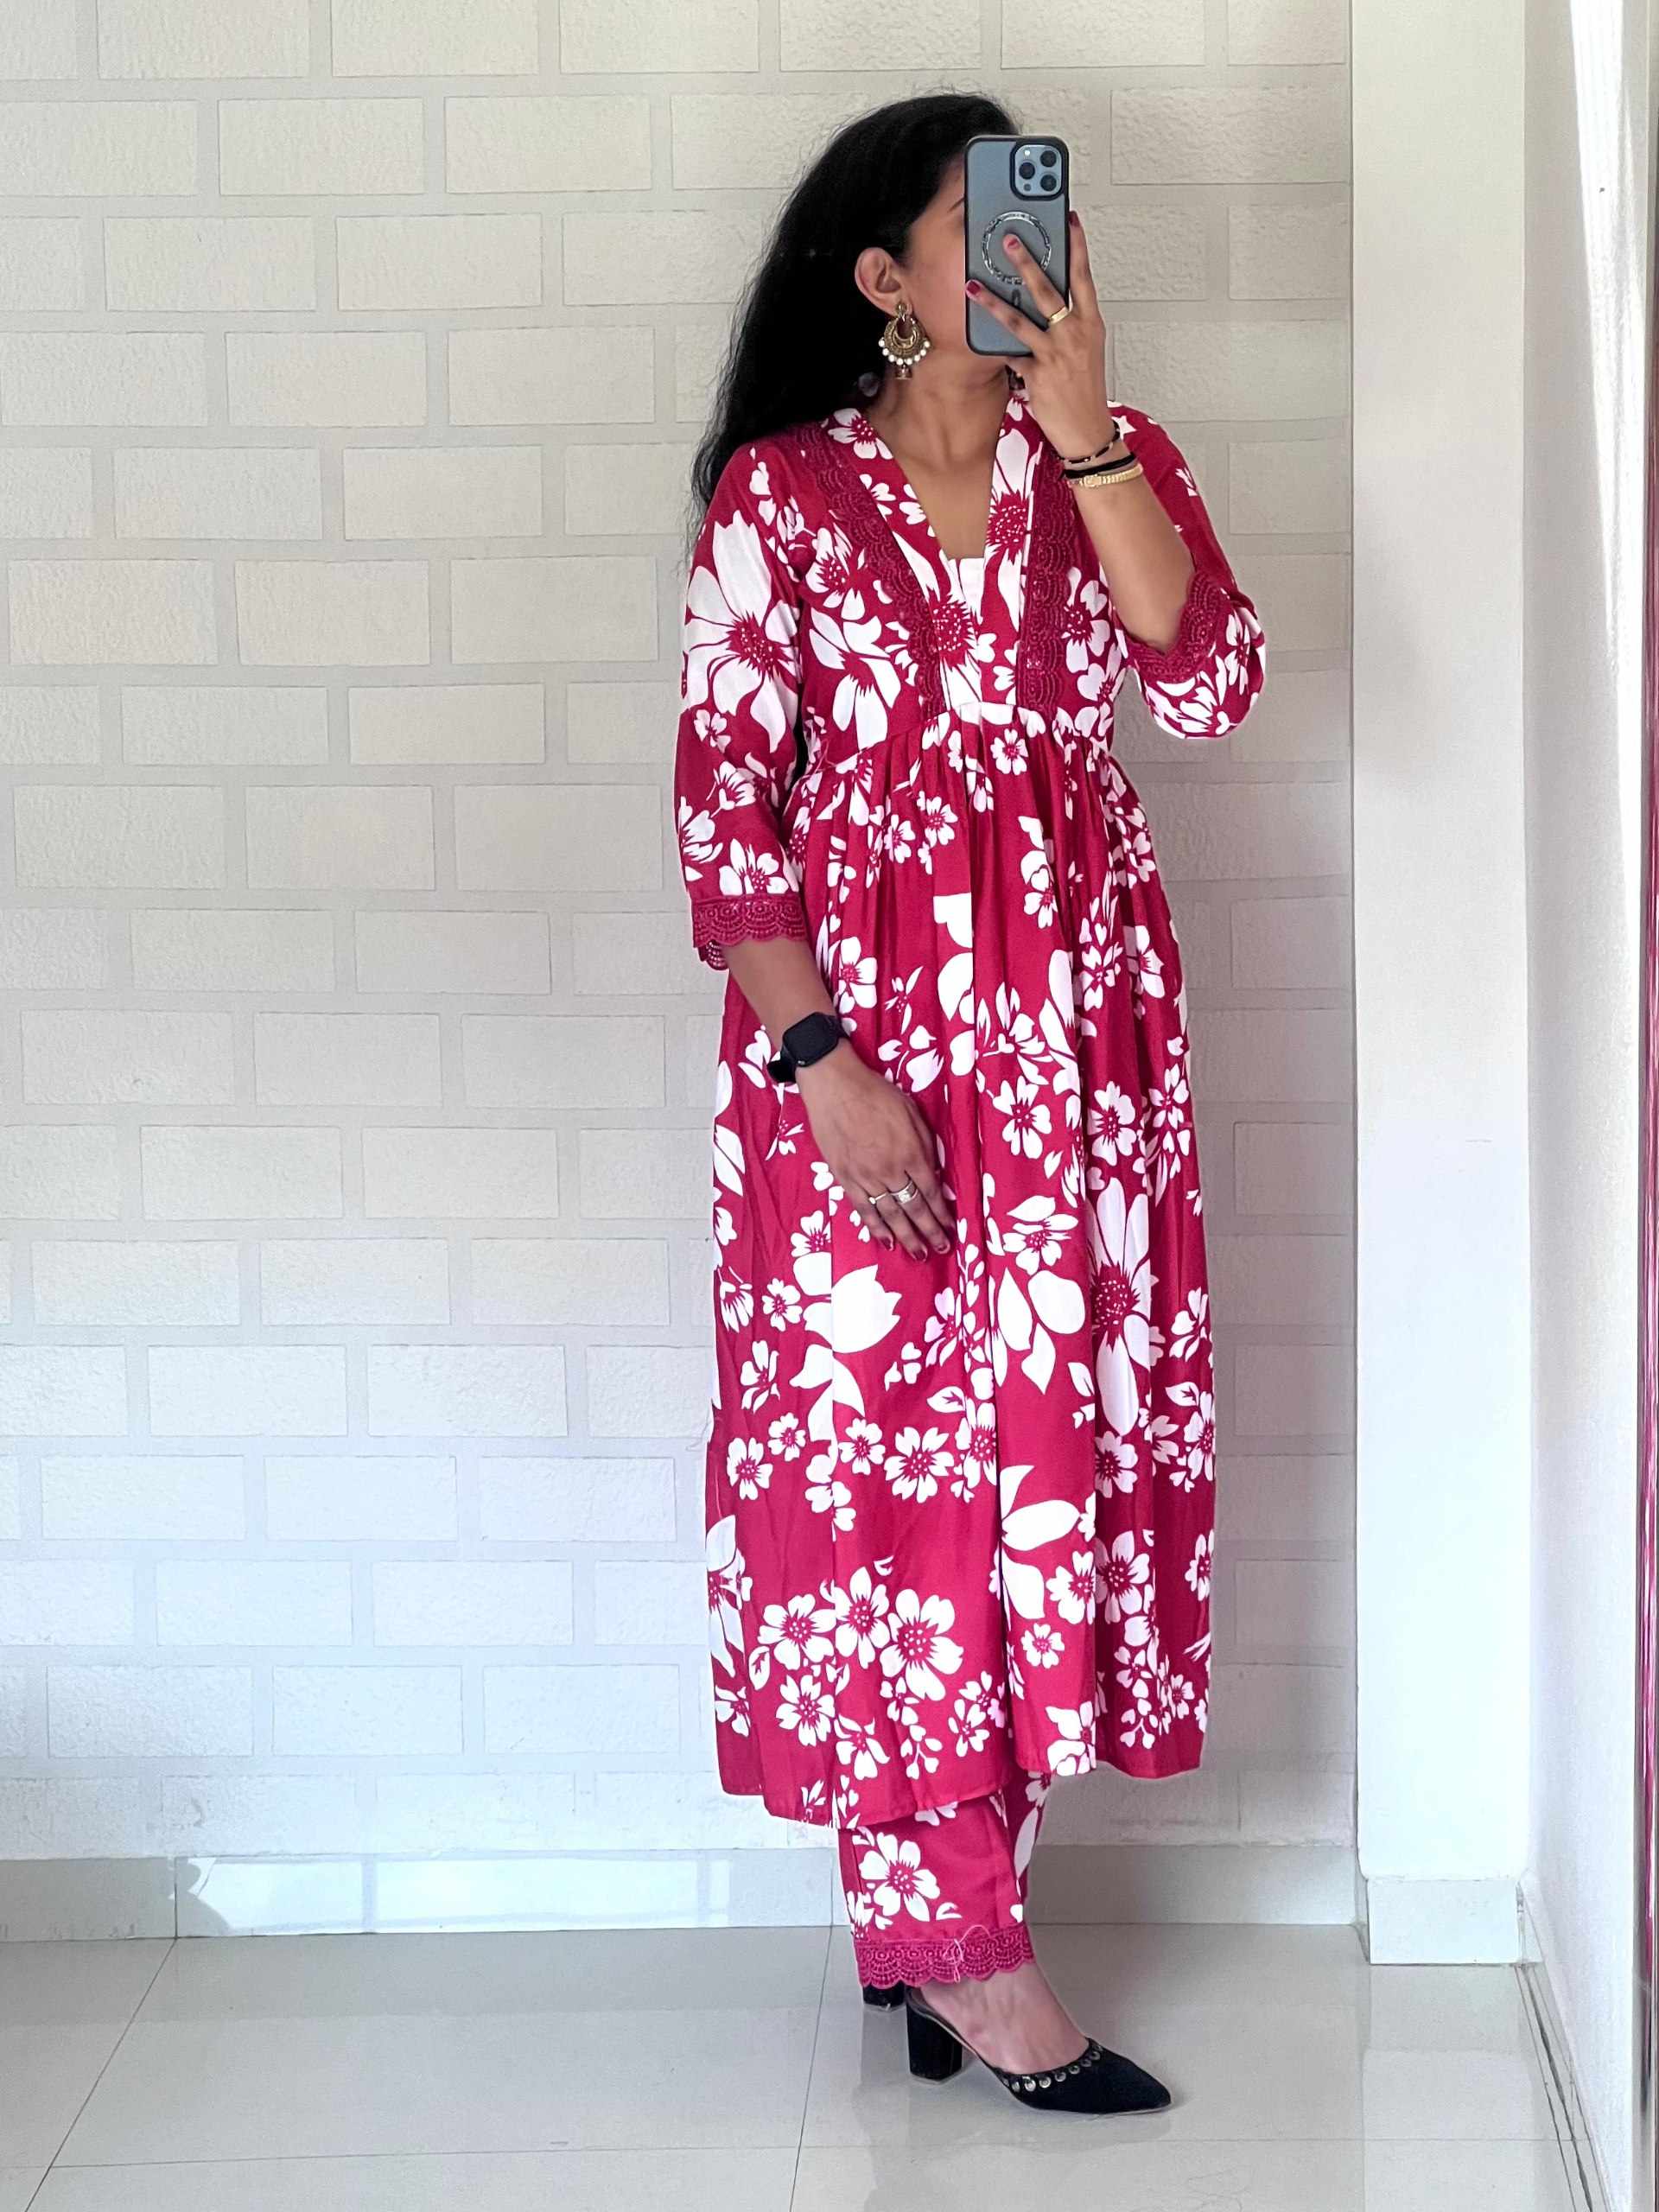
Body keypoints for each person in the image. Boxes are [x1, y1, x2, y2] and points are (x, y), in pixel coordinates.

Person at [674, 92, 1267, 2112]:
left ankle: (934, 1915)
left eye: (1049, 219)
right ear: (885, 279)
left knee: (1038, 1459)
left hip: (1080, 1060)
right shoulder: (781, 498)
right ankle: (974, 1965)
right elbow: (724, 825)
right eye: (985, 224)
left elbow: (1207, 684)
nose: (1038, 252)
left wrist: (1090, 432)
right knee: (884, 1477)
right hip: (857, 1060)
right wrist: (819, 1065)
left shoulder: (1109, 459)